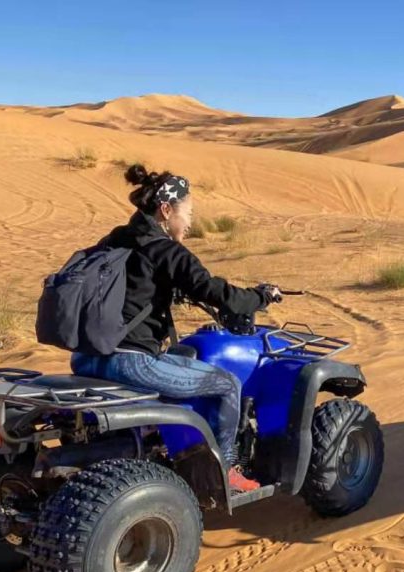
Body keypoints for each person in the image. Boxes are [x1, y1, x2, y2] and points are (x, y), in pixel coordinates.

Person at [70, 164, 280, 493]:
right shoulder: (166, 250)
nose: (191, 221)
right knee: (226, 384)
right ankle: (225, 470)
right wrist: (259, 297)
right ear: (166, 210)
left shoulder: (116, 239)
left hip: (84, 357)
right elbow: (214, 290)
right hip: (128, 363)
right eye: (188, 212)